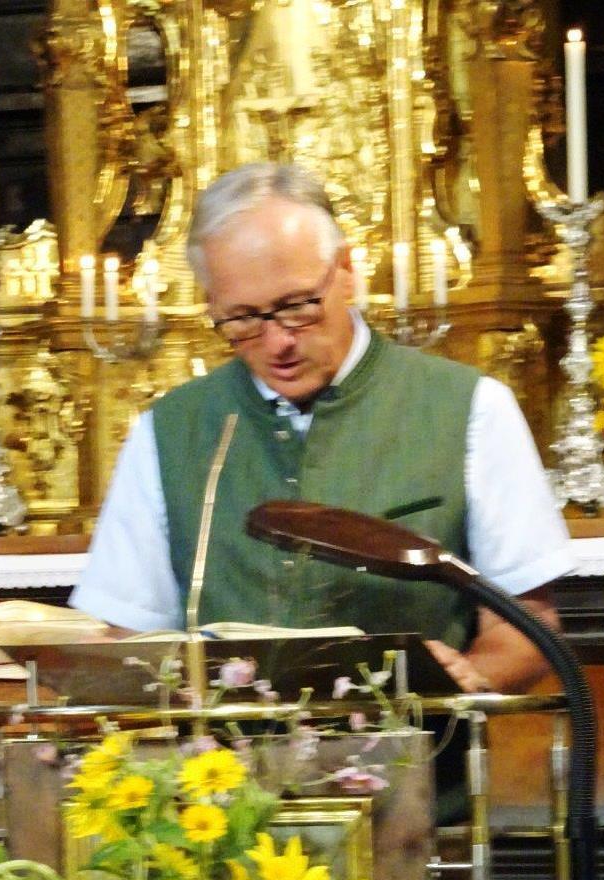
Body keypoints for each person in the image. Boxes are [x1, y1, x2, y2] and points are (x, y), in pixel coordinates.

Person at [71, 161, 575, 699]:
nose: (278, 343)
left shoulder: (471, 408)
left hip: (419, 747)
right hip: (224, 755)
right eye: (242, 319)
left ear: (347, 270)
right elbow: (130, 637)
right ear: (211, 304)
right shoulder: (169, 431)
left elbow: (528, 625)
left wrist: (471, 677)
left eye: (297, 306)